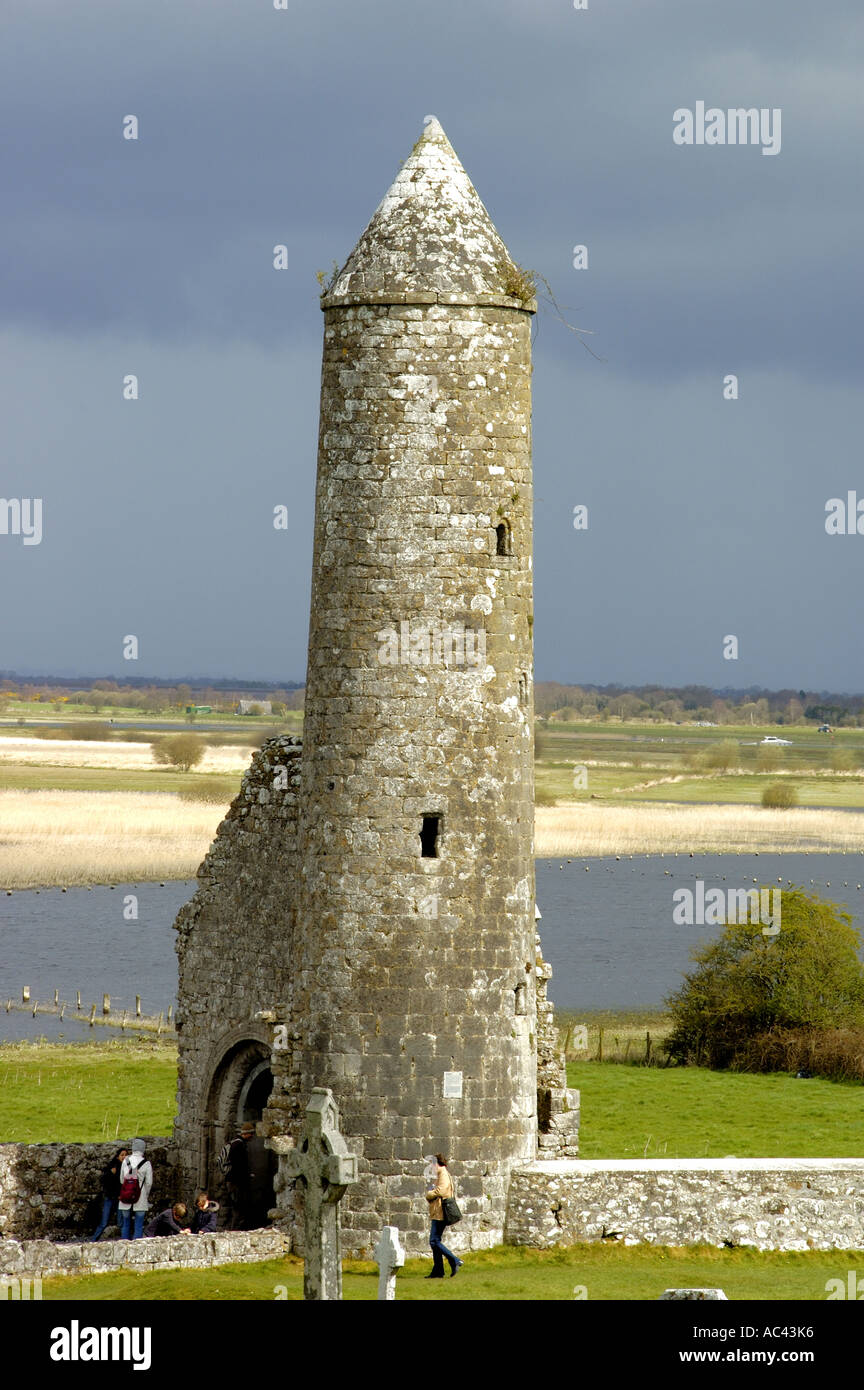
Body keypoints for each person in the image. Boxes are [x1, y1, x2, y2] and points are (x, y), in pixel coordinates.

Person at [425, 1153, 463, 1279]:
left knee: (434, 1241)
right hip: (438, 1211)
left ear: (436, 1163)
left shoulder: (443, 1175)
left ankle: (455, 1260)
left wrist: (429, 1194)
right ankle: (438, 1271)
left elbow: (440, 1190)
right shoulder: (441, 1174)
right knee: (435, 1242)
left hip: (440, 1212)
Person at [117, 1138, 153, 1240]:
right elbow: (149, 1183)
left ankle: (124, 1245)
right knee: (138, 1224)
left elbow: (121, 1180)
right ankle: (137, 1250)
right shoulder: (146, 1163)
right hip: (140, 1196)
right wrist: (145, 1195)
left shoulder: (126, 1161)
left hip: (126, 1195)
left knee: (125, 1223)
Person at [91, 1147, 128, 1241]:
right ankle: (93, 1240)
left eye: (125, 1155)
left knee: (121, 1222)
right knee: (104, 1221)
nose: (124, 1157)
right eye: (122, 1155)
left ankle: (124, 1240)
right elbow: (104, 1180)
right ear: (117, 1156)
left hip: (120, 1198)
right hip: (110, 1197)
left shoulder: (127, 1167)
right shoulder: (113, 1166)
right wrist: (111, 1173)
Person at [226, 1122, 254, 1229]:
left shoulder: (235, 1143)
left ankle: (236, 1229)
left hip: (233, 1180)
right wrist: (246, 1175)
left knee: (238, 1207)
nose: (252, 1136)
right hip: (236, 1182)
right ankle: (236, 1231)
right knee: (239, 1207)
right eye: (251, 1134)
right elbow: (238, 1164)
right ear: (245, 1134)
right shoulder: (239, 1145)